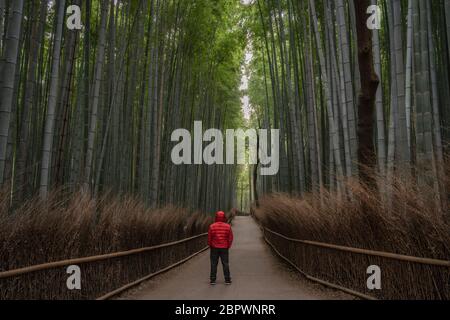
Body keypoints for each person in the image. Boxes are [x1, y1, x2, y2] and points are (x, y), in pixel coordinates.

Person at [208, 211, 233, 285]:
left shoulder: (212, 226)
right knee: (225, 263)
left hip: (214, 247)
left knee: (213, 264)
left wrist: (210, 245)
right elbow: (230, 238)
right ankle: (227, 280)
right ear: (224, 217)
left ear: (216, 217)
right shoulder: (228, 226)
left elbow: (209, 238)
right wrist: (228, 245)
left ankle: (213, 280)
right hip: (224, 248)